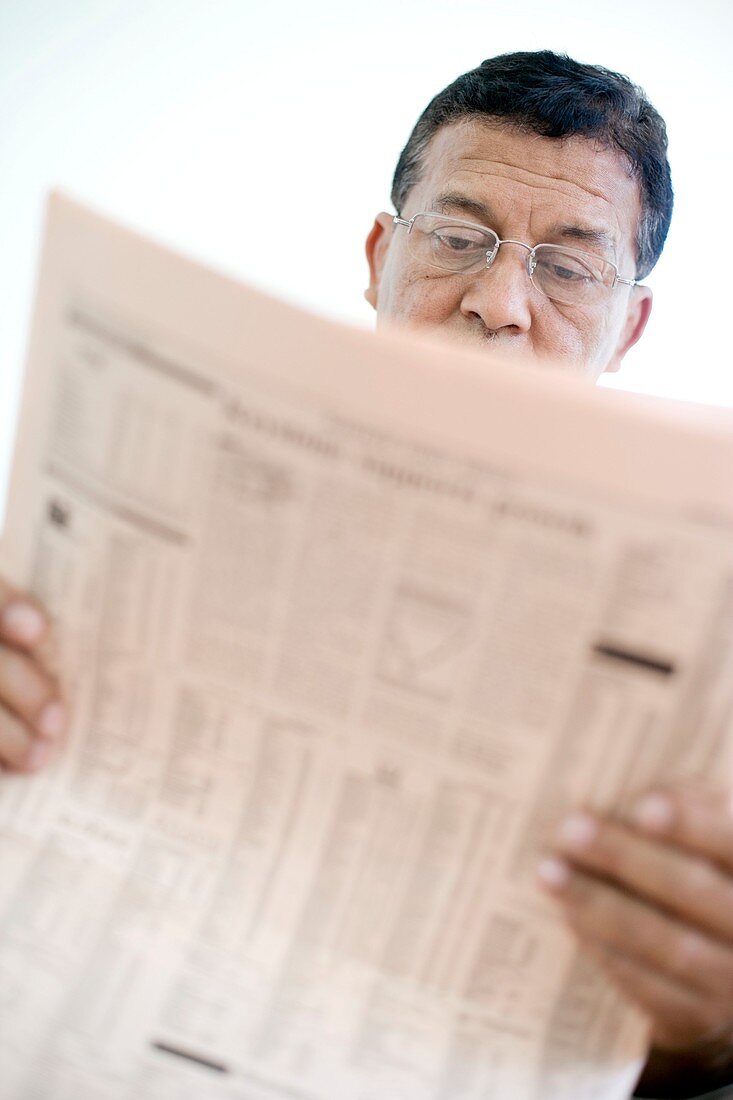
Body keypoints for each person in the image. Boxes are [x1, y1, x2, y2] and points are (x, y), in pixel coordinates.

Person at [0, 49, 730, 1100]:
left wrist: (711, 1034)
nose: (499, 301)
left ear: (631, 326)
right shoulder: (107, 506)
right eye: (456, 238)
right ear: (381, 254)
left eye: (567, 266)